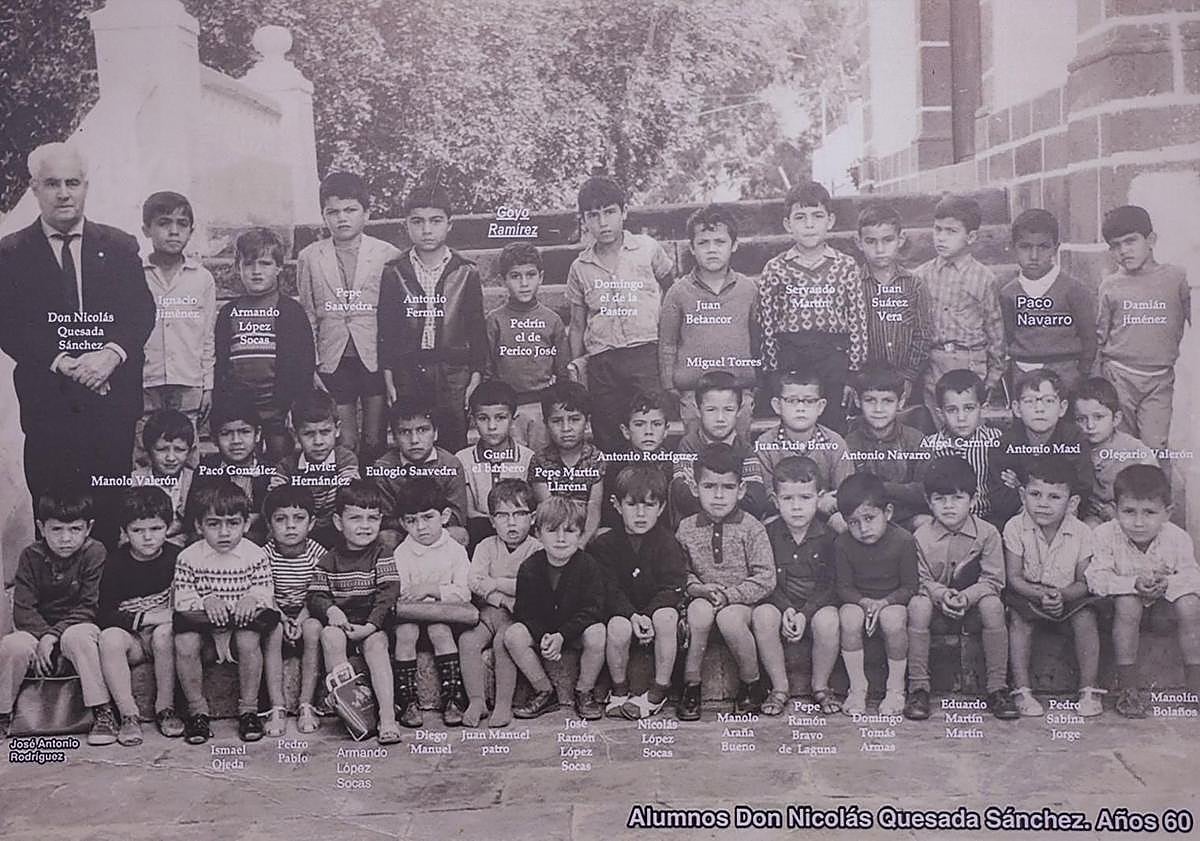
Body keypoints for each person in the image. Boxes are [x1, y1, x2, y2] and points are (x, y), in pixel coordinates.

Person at [0, 143, 155, 548]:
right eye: (52, 184)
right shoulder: (11, 252)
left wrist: (110, 355)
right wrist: (60, 361)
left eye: (73, 182)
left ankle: (101, 602)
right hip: (48, 405)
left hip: (110, 402)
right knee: (54, 506)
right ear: (35, 189)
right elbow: (8, 323)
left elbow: (139, 312)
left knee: (107, 503)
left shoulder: (120, 247)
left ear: (86, 186)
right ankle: (56, 604)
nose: (64, 193)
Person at [296, 172, 401, 463]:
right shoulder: (310, 256)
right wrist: (312, 363)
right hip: (334, 358)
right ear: (324, 215)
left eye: (350, 210)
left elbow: (394, 316)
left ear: (366, 213)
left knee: (374, 437)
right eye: (333, 212)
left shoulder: (386, 254)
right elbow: (307, 313)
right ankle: (347, 495)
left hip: (374, 356)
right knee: (346, 439)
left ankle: (374, 500)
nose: (342, 218)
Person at [565, 175, 675, 451]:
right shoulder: (580, 267)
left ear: (624, 212)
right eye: (593, 215)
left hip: (646, 354)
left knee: (648, 423)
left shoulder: (647, 249)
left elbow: (672, 292)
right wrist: (577, 367)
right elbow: (578, 324)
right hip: (603, 362)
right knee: (609, 429)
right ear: (584, 220)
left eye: (610, 212)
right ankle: (615, 491)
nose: (603, 223)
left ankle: (653, 491)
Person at [378, 178, 486, 452]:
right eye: (418, 221)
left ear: (449, 224)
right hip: (409, 370)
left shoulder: (465, 271)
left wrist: (475, 373)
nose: (427, 230)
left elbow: (476, 327)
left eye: (435, 221)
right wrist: (389, 373)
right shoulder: (395, 271)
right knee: (414, 439)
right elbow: (386, 328)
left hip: (452, 371)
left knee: (453, 438)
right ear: (406, 225)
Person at [906, 456, 1017, 721]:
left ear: (973, 499)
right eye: (940, 499)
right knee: (917, 606)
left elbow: (994, 580)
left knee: (993, 605)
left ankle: (997, 687)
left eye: (957, 498)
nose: (949, 506)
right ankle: (918, 687)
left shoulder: (987, 533)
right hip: (935, 606)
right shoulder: (920, 537)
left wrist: (966, 597)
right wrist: (942, 595)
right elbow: (919, 580)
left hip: (975, 606)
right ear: (928, 501)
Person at [0, 487, 114, 744]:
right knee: (12, 646)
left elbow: (89, 605)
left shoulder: (94, 552)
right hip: (37, 629)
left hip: (79, 624)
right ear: (41, 528)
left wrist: (53, 636)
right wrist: (43, 637)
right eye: (56, 530)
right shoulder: (31, 555)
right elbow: (24, 609)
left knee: (78, 639)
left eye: (74, 529)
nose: (66, 539)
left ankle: (102, 711)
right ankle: (3, 713)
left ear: (89, 528)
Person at [1085, 465, 1200, 717]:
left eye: (1149, 512)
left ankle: (1195, 683)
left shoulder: (1177, 538)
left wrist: (1168, 583)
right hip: (1119, 614)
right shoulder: (1104, 535)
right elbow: (1095, 578)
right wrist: (1131, 584)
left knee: (1190, 603)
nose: (1138, 522)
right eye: (1128, 512)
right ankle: (1128, 689)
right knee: (1129, 602)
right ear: (1115, 510)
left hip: (1163, 612)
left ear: (1167, 513)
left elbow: (1193, 577)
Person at [172, 482, 280, 744]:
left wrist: (251, 597)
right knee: (184, 642)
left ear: (246, 525)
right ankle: (198, 713)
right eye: (213, 524)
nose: (224, 532)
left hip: (240, 630)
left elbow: (266, 592)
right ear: (199, 526)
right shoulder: (188, 558)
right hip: (206, 633)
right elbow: (182, 600)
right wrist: (205, 600)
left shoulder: (255, 556)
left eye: (232, 523)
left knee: (248, 640)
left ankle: (249, 711)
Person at [674, 444, 776, 721]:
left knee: (730, 618)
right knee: (698, 611)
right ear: (695, 488)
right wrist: (698, 588)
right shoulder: (686, 528)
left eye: (727, 488)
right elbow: (680, 572)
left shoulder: (752, 527)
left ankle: (752, 683)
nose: (718, 496)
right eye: (709, 487)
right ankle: (691, 684)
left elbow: (766, 577)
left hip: (742, 605)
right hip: (703, 599)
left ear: (741, 490)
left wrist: (731, 595)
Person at [757, 181, 867, 432]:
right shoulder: (776, 268)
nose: (809, 224)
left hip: (833, 357)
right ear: (788, 225)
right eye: (800, 217)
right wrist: (773, 373)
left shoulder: (846, 266)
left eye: (817, 216)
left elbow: (858, 322)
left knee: (832, 424)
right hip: (791, 355)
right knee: (795, 423)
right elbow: (767, 325)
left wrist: (853, 373)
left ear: (830, 221)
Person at [1002, 455, 1103, 717]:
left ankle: (1088, 689)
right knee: (1018, 620)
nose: (1043, 504)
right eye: (1035, 494)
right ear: (1022, 495)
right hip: (1028, 593)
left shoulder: (1082, 532)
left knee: (1086, 617)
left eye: (1054, 497)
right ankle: (1022, 690)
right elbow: (1014, 577)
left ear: (1072, 503)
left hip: (1069, 595)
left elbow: (1084, 581)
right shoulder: (1015, 527)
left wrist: (1062, 595)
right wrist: (1039, 594)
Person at [307, 480, 403, 745]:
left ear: (381, 520)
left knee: (376, 645)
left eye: (372, 518)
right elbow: (315, 595)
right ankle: (352, 710)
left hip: (374, 626)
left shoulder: (382, 554)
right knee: (329, 635)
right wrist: (332, 610)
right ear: (338, 522)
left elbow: (388, 594)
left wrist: (371, 625)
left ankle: (386, 716)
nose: (365, 525)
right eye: (355, 518)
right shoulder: (329, 559)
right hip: (344, 626)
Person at [590, 466, 686, 720]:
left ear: (662, 507)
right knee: (617, 627)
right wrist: (632, 615)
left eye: (649, 505)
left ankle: (658, 690)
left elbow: (673, 585)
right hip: (624, 613)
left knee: (666, 617)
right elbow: (608, 587)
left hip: (656, 612)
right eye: (632, 505)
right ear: (617, 505)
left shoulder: (667, 542)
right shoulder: (605, 545)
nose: (641, 514)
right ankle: (620, 689)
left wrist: (648, 614)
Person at [215, 227, 315, 463]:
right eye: (249, 264)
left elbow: (303, 364)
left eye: (265, 263)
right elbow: (220, 363)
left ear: (279, 267)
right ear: (238, 268)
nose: (256, 271)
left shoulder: (290, 310)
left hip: (278, 410)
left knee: (279, 460)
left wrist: (294, 406)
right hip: (240, 410)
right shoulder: (229, 312)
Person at [658, 204, 759, 438]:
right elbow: (668, 343)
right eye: (703, 243)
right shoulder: (678, 292)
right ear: (692, 248)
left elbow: (757, 339)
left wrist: (757, 382)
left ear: (734, 245)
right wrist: (668, 385)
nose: (712, 249)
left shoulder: (748, 289)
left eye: (720, 242)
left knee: (740, 440)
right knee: (695, 440)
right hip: (693, 391)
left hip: (738, 390)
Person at [1096, 205, 1191, 451]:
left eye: (1130, 241)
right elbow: (1101, 336)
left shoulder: (1177, 278)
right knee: (1121, 445)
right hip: (1119, 375)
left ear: (1151, 240)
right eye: (1115, 246)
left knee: (1154, 445)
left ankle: (1159, 490)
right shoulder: (1110, 285)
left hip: (1159, 379)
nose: (1123, 251)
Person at [504, 497, 607, 720]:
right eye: (552, 530)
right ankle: (544, 690)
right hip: (545, 634)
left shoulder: (589, 566)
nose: (561, 539)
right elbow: (524, 611)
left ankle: (584, 691)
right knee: (514, 635)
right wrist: (544, 636)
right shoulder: (530, 567)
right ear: (538, 533)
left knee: (598, 632)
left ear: (580, 534)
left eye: (569, 531)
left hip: (575, 631)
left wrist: (563, 635)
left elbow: (593, 609)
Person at [97, 487, 183, 745]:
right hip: (132, 641)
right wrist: (151, 616)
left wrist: (164, 619)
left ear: (169, 527)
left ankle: (165, 707)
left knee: (165, 632)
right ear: (124, 531)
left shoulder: (177, 558)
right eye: (137, 530)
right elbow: (104, 614)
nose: (147, 538)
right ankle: (128, 715)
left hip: (165, 640)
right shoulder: (114, 563)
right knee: (109, 638)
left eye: (155, 529)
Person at [137, 190, 216, 466]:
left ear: (191, 231)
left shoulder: (201, 278)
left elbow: (207, 335)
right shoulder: (135, 273)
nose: (173, 231)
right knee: (145, 452)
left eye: (182, 224)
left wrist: (208, 386)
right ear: (146, 229)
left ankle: (185, 507)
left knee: (186, 454)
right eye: (164, 223)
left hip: (189, 381)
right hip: (145, 381)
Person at [760, 457, 841, 715]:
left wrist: (805, 613)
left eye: (805, 498)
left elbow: (831, 585)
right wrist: (785, 609)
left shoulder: (829, 537)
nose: (796, 507)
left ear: (820, 498)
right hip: (779, 602)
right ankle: (779, 687)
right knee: (762, 616)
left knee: (828, 620)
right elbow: (766, 579)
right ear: (775, 500)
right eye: (788, 499)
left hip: (817, 605)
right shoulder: (767, 534)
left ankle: (821, 686)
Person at [913, 195, 1005, 422]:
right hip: (934, 362)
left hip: (969, 361)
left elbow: (995, 330)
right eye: (937, 229)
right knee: (938, 424)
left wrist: (993, 375)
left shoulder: (984, 278)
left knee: (966, 425)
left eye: (951, 231)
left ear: (971, 236)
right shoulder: (921, 275)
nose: (941, 238)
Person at [459, 479, 541, 727]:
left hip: (517, 618)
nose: (511, 522)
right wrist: (502, 597)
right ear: (492, 521)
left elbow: (530, 589)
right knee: (467, 640)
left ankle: (503, 705)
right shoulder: (485, 546)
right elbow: (474, 581)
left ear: (533, 517)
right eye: (502, 516)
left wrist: (495, 582)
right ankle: (477, 700)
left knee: (502, 643)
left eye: (519, 514)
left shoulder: (536, 549)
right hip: (488, 613)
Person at [834, 473, 918, 717]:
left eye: (870, 518)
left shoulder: (903, 541)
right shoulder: (842, 544)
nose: (863, 528)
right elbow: (843, 587)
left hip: (893, 600)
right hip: (859, 601)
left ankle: (895, 689)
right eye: (853, 522)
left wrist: (885, 602)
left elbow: (910, 586)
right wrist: (864, 602)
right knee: (848, 617)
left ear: (888, 512)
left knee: (892, 619)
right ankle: (858, 687)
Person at [391, 479, 472, 728]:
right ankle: (407, 700)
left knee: (440, 630)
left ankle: (452, 697)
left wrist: (431, 589)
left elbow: (464, 591)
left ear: (445, 516)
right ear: (403, 523)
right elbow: (402, 593)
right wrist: (419, 598)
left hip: (444, 619)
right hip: (411, 620)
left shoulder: (455, 551)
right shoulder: (401, 553)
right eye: (412, 520)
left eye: (428, 517)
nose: (421, 527)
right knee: (405, 632)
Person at [484, 241, 569, 453]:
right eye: (515, 276)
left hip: (542, 407)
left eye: (530, 275)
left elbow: (562, 372)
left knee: (542, 461)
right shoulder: (495, 321)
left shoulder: (552, 320)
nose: (524, 283)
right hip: (508, 409)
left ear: (541, 277)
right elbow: (487, 369)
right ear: (503, 280)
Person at [998, 209, 1095, 395]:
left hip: (1065, 372)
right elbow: (1009, 334)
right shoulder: (1008, 292)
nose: (1034, 256)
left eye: (1043, 247)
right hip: (1023, 372)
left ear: (1055, 248)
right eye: (1025, 247)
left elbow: (1088, 336)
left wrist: (1082, 373)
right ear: (1013, 247)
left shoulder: (1073, 289)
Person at [260, 486, 326, 735]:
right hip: (277, 616)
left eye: (298, 519)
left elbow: (319, 593)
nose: (290, 526)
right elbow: (264, 592)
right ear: (269, 523)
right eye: (281, 519)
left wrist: (301, 618)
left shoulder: (318, 554)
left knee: (313, 629)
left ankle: (306, 704)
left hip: (307, 615)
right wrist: (282, 618)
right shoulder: (264, 556)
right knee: (272, 630)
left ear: (311, 523)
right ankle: (277, 706)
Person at [988, 370, 1092, 526]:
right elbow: (1001, 500)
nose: (1039, 408)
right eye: (1029, 401)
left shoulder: (1074, 440)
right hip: (1018, 522)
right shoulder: (1003, 445)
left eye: (1048, 401)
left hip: (1066, 520)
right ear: (1017, 408)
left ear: (1062, 408)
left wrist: (1021, 485)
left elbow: (1082, 490)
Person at [753, 369, 852, 529]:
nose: (800, 408)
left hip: (825, 518)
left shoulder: (835, 443)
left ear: (820, 406)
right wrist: (816, 501)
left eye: (809, 401)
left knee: (841, 522)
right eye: (792, 400)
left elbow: (845, 492)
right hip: (784, 514)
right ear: (777, 405)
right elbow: (768, 496)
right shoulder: (764, 445)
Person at [672, 371, 770, 522]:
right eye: (711, 410)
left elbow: (755, 500)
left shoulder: (744, 449)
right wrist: (730, 497)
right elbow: (683, 496)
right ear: (698, 410)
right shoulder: (689, 445)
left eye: (728, 409)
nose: (720, 418)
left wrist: (713, 501)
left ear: (738, 410)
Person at [855, 203, 930, 401]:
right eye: (871, 241)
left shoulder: (914, 285)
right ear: (859, 242)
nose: (880, 249)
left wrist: (910, 376)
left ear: (901, 239)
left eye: (887, 240)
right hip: (867, 382)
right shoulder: (852, 285)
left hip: (907, 379)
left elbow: (922, 335)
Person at [843, 362, 930, 531]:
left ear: (901, 401)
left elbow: (925, 490)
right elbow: (846, 490)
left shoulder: (916, 440)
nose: (878, 409)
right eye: (870, 400)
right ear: (857, 400)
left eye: (887, 401)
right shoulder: (849, 443)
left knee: (926, 524)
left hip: (907, 519)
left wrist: (881, 487)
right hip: (863, 523)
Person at [371, 394, 469, 544]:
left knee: (459, 534)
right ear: (394, 437)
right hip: (403, 533)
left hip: (438, 532)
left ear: (435, 433)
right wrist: (413, 524)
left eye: (422, 430)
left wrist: (429, 525)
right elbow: (384, 517)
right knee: (386, 538)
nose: (414, 440)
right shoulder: (384, 468)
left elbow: (457, 515)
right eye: (405, 432)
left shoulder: (450, 464)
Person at [269, 389, 361, 547]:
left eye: (325, 432)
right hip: (299, 532)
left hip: (335, 531)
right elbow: (275, 504)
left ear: (337, 429)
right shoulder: (287, 466)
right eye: (309, 434)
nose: (318, 441)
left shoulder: (345, 460)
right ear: (295, 434)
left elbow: (346, 501)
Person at [456, 380, 535, 546]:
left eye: (500, 418)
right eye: (483, 418)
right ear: (473, 419)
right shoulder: (463, 459)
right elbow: (470, 512)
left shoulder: (528, 458)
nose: (492, 426)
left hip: (519, 531)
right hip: (481, 532)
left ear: (513, 419)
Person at [527, 381, 606, 545]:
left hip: (585, 534)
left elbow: (594, 508)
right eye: (557, 421)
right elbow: (548, 511)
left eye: (574, 419)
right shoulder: (539, 461)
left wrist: (580, 544)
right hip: (553, 534)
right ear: (546, 423)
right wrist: (565, 544)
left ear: (587, 421)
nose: (566, 428)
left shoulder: (595, 458)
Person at [1072, 377, 1158, 525]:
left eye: (1098, 417)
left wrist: (1117, 508)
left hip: (1127, 516)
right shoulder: (1072, 446)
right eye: (1081, 419)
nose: (1090, 425)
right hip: (1089, 516)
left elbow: (1152, 490)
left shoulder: (1134, 450)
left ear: (1116, 418)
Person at [193, 391, 274, 545]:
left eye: (244, 432)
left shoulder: (270, 470)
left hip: (258, 542)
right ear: (214, 440)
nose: (236, 441)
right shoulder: (206, 471)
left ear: (258, 434)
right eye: (226, 434)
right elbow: (195, 516)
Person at [922, 369, 1003, 521]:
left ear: (983, 409)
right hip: (946, 521)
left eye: (969, 408)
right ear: (940, 413)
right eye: (952, 410)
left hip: (989, 519)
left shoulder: (996, 441)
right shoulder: (930, 446)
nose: (961, 418)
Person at [131, 409, 196, 547]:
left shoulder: (195, 481)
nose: (170, 458)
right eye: (162, 450)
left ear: (189, 451)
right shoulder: (135, 481)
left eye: (179, 450)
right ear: (148, 450)